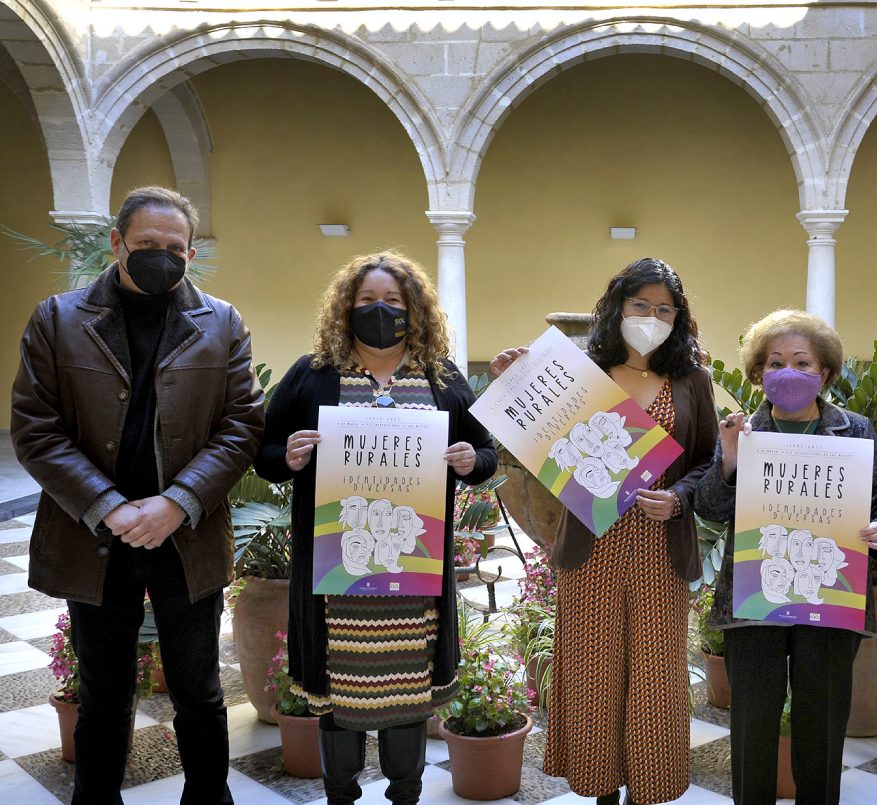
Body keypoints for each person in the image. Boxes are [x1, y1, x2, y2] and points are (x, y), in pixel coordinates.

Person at [10, 186, 264, 804]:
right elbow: (35, 429)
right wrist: (111, 506)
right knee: (103, 691)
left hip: (187, 536)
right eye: (147, 244)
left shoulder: (222, 322)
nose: (161, 256)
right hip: (93, 535)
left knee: (200, 689)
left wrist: (176, 501)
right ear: (118, 242)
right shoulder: (58, 318)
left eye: (174, 247)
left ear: (191, 252)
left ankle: (208, 797)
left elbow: (241, 426)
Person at [254, 250, 497, 805]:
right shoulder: (312, 375)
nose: (380, 311)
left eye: (393, 302)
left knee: (406, 694)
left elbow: (485, 453)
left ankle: (405, 795)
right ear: (346, 307)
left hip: (412, 583)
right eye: (367, 301)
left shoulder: (441, 378)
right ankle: (341, 795)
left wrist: (469, 461)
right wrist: (287, 456)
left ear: (415, 310)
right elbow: (264, 452)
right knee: (338, 696)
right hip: (336, 579)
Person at [489, 257, 718, 805]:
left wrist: (680, 499)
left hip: (660, 549)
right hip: (590, 548)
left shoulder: (692, 380)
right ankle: (600, 792)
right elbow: (527, 434)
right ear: (617, 307)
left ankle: (650, 789)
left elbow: (709, 461)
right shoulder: (578, 374)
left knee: (656, 679)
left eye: (665, 308)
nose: (651, 316)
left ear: (678, 318)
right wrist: (512, 381)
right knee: (593, 673)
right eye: (641, 305)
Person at [694, 308, 877, 805]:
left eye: (802, 362)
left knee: (823, 722)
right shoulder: (741, 432)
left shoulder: (854, 431)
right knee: (752, 724)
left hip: (831, 601)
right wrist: (727, 461)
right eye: (775, 362)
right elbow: (708, 507)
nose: (788, 373)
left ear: (825, 373)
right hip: (753, 600)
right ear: (758, 374)